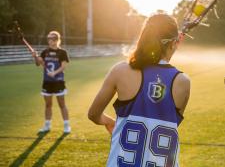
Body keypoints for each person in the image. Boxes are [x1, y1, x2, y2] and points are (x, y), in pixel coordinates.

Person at [88, 13, 190, 166]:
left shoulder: (120, 71)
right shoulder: (183, 82)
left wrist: (110, 122)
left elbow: (93, 114)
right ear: (175, 42)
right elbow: (166, 124)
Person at [32, 31, 71, 133]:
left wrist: (54, 73)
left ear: (58, 40)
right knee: (48, 105)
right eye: (49, 39)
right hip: (47, 82)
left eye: (53, 39)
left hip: (58, 82)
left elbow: (63, 66)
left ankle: (67, 125)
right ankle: (47, 125)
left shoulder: (62, 52)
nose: (51, 41)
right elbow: (38, 63)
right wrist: (35, 57)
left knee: (62, 104)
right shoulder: (45, 52)